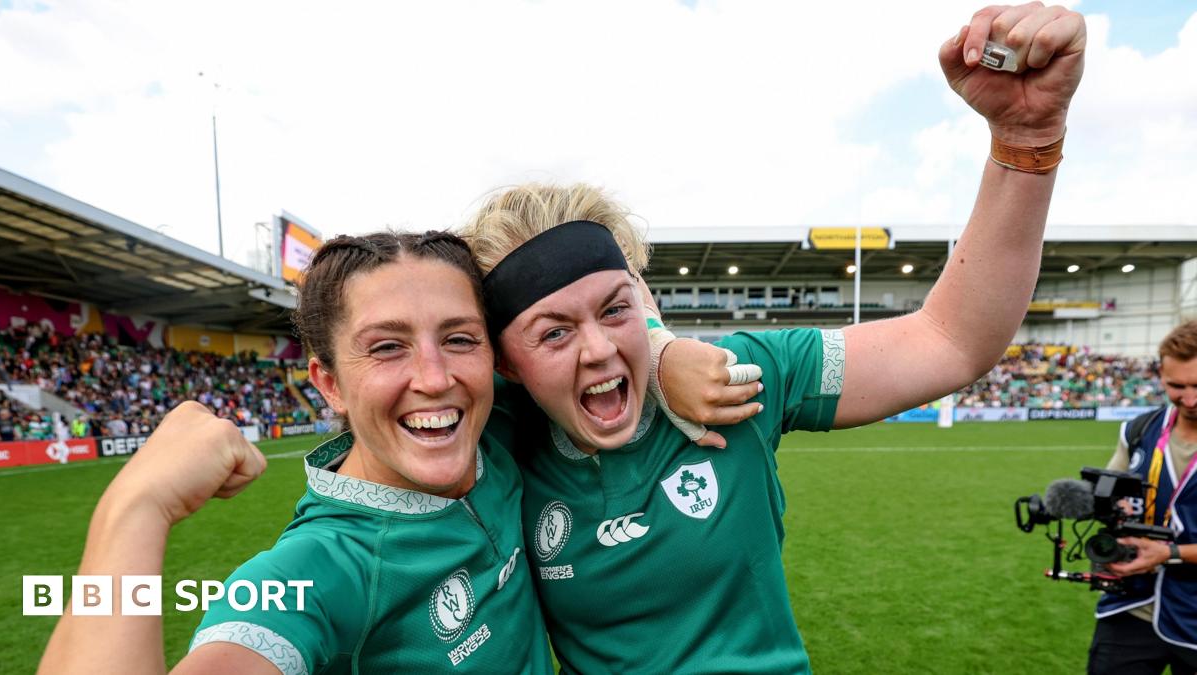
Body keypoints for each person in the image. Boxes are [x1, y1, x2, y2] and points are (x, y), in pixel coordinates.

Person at [458, 4, 1086, 672]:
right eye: (553, 332)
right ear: (510, 363)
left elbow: (951, 340)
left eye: (613, 310)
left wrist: (1028, 138)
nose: (599, 349)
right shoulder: (494, 433)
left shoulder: (742, 377)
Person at [38, 232, 556, 674]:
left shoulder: (497, 428)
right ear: (329, 383)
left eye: (460, 339)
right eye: (386, 347)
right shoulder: (316, 568)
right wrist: (135, 506)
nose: (436, 378)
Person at [1091, 321, 1197, 675]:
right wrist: (1108, 508)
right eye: (1176, 386)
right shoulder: (1138, 430)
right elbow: (1107, 489)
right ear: (1160, 375)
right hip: (1131, 605)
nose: (1190, 399)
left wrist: (1170, 552)